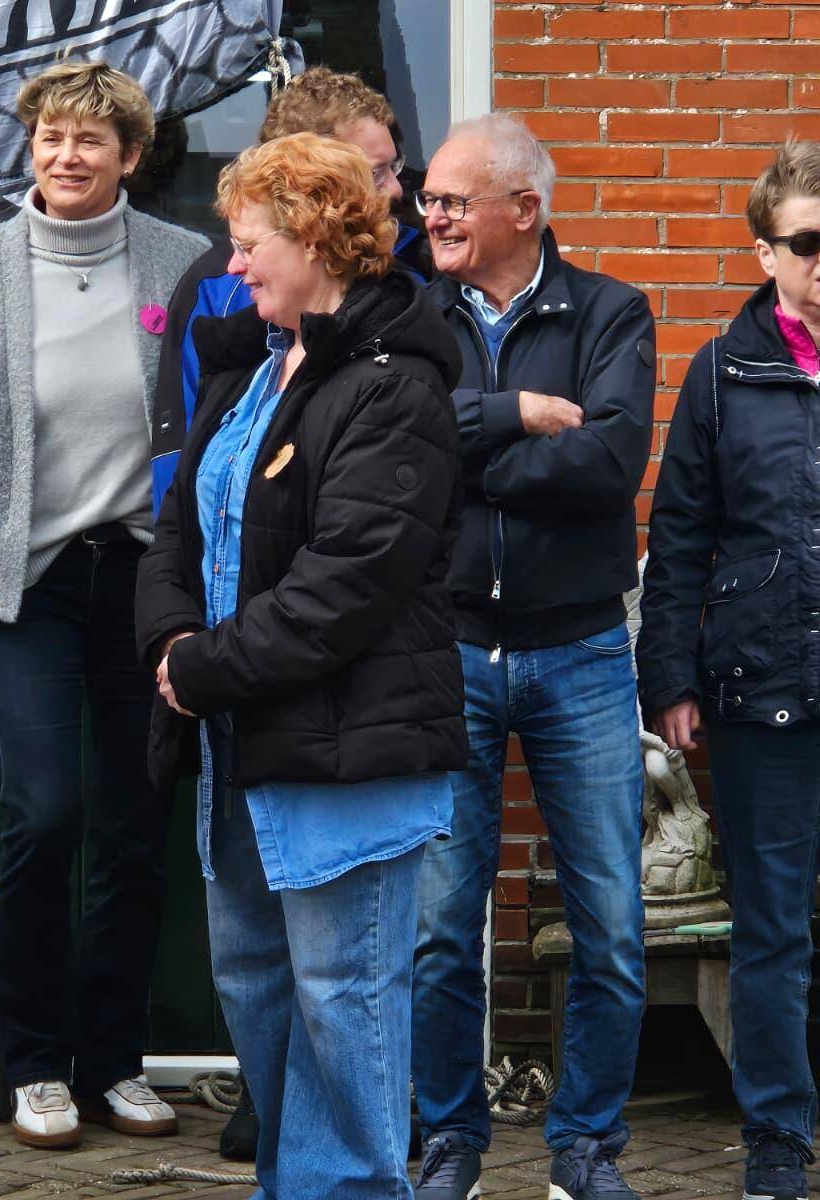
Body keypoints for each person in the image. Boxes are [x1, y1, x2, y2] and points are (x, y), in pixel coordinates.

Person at [135, 131, 463, 1198]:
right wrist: (170, 643)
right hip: (241, 743)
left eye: (249, 243)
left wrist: (204, 669)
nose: (231, 268)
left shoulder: (392, 385)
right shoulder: (248, 372)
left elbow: (352, 580)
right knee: (260, 987)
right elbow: (175, 530)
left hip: (347, 750)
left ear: (316, 237)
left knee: (342, 993)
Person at [0, 59, 206, 1149]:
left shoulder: (182, 262)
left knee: (134, 821)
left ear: (128, 155)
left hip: (141, 578)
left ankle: (112, 1059)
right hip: (19, 580)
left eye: (89, 141)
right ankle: (33, 1062)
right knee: (45, 813)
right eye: (48, 140)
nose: (65, 158)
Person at [410, 113, 655, 1200]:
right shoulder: (412, 315)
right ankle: (449, 1143)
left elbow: (607, 464)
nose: (433, 215)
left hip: (582, 651)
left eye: (455, 201)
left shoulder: (610, 310)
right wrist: (514, 417)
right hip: (447, 646)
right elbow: (394, 446)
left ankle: (585, 1148)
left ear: (525, 209)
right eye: (430, 200)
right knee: (437, 931)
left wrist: (469, 461)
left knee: (608, 925)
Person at [638, 140, 820, 1200]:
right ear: (765, 252)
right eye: (808, 242)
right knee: (772, 932)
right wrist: (672, 679)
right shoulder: (723, 371)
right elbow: (682, 538)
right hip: (765, 691)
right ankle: (777, 1148)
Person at [150, 66, 428, 518]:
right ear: (314, 182)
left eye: (393, 167)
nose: (396, 189)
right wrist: (179, 565)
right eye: (376, 173)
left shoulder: (414, 272)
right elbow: (179, 447)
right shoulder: (218, 286)